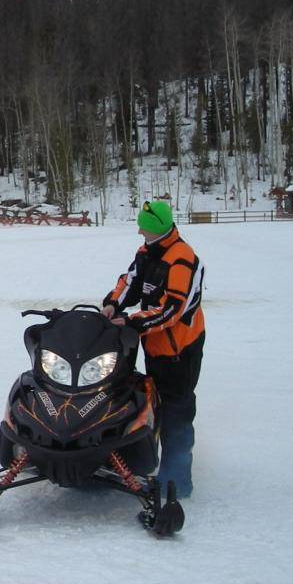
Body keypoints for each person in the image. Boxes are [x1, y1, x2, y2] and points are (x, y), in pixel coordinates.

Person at [101, 200, 205, 497]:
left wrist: (133, 322)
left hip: (180, 348)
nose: (138, 231)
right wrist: (112, 304)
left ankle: (177, 480)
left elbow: (173, 308)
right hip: (154, 342)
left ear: (156, 227)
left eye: (143, 227)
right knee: (150, 400)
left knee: (177, 409)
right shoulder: (149, 251)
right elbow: (129, 281)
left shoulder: (182, 258)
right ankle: (138, 455)